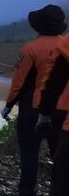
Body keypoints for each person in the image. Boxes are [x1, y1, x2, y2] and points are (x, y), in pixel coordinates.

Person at [1, 4, 67, 196]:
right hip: (61, 111)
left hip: (33, 109)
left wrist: (8, 105)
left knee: (29, 156)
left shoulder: (30, 49)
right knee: (60, 159)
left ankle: (27, 191)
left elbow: (18, 83)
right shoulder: (65, 45)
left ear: (38, 26)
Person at [35, 34, 69, 196]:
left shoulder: (65, 44)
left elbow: (54, 82)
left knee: (62, 178)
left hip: (64, 119)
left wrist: (44, 116)